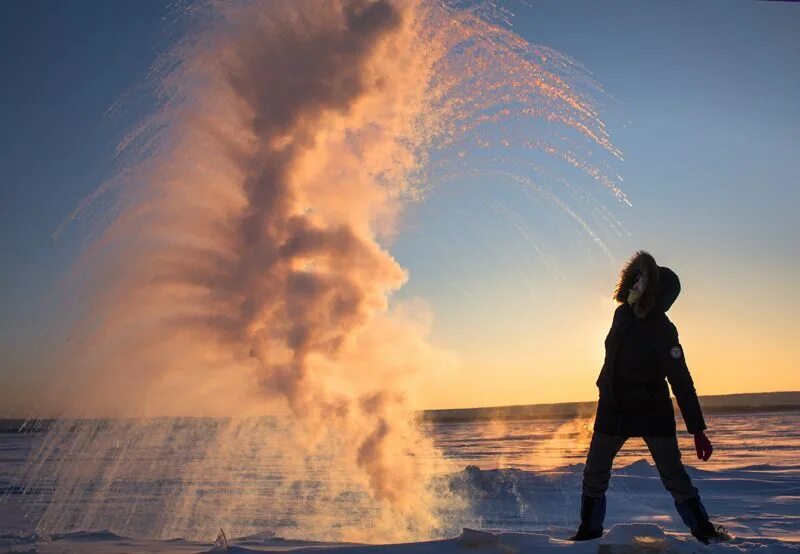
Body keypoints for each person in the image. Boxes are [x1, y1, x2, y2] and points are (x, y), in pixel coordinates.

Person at [570, 251, 730, 544]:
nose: (636, 286)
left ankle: (704, 532)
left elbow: (681, 380)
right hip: (613, 410)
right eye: (636, 280)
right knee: (594, 474)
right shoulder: (620, 315)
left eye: (643, 283)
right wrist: (605, 390)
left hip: (652, 412)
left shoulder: (662, 329)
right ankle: (588, 532)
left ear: (655, 292)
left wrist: (697, 430)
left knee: (674, 477)